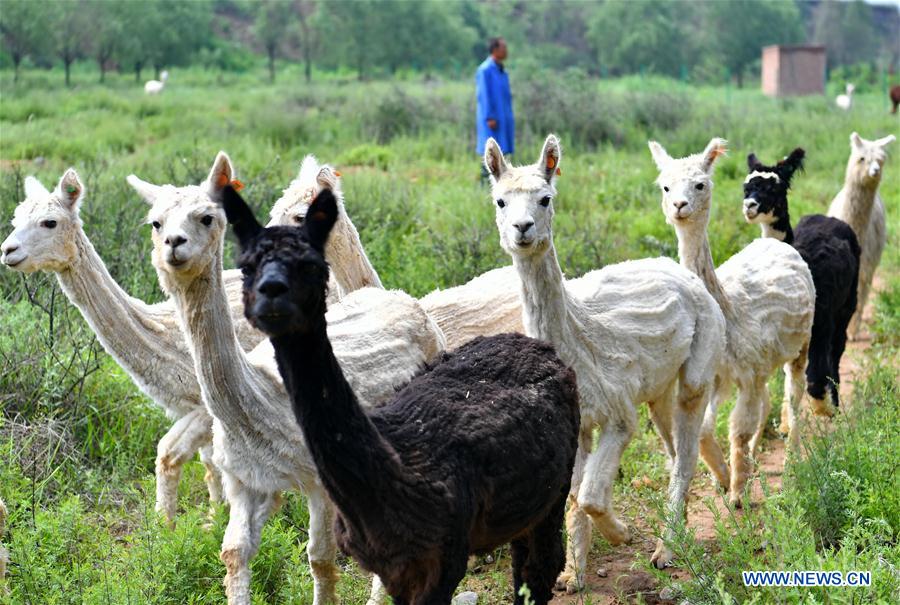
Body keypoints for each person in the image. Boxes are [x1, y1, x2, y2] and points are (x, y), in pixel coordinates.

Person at [476, 37, 514, 177]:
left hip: (503, 117)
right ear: (495, 50)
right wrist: (489, 116)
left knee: (503, 151)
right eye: (504, 48)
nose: (506, 51)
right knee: (490, 150)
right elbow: (484, 96)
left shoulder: (501, 71)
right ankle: (484, 181)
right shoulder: (485, 70)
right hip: (492, 120)